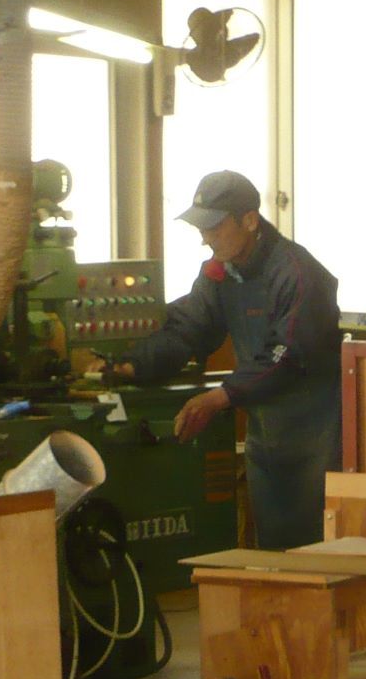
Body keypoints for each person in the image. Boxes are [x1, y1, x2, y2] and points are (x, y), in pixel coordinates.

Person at [111, 170, 342, 550]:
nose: (206, 239)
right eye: (202, 229)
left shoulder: (298, 274)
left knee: (316, 551)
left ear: (249, 220)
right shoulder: (221, 273)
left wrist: (220, 397)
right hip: (265, 433)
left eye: (215, 228)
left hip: (315, 436)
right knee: (273, 550)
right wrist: (134, 365)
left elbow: (286, 355)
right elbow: (190, 326)